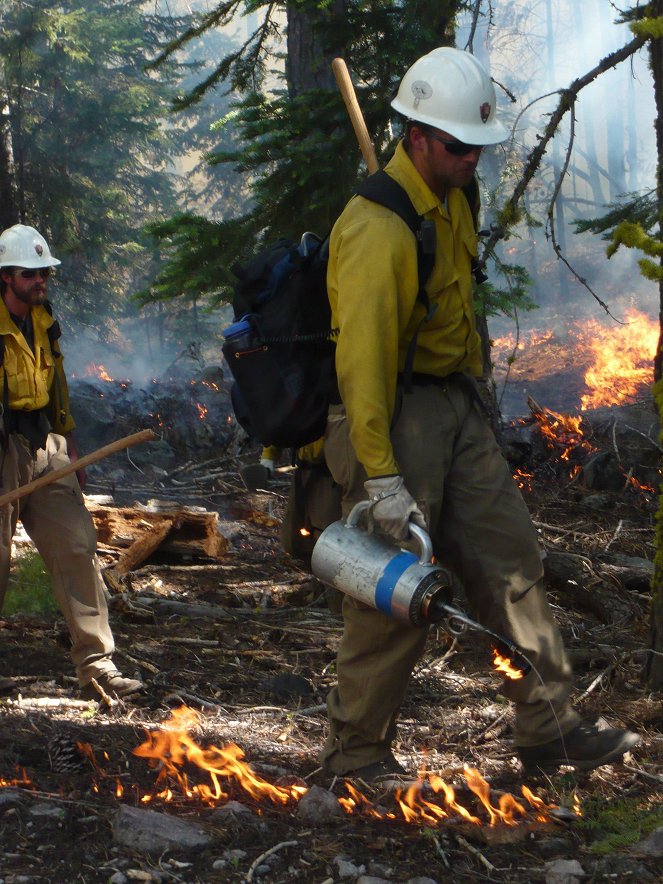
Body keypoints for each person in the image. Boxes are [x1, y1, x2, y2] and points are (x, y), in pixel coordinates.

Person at [319, 47, 640, 779]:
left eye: (479, 149)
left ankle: (549, 724)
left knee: (510, 560)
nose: (472, 160)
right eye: (460, 147)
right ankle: (355, 754)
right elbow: (360, 367)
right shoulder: (378, 226)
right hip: (392, 420)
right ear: (417, 137)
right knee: (391, 589)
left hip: (453, 408)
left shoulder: (452, 198)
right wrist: (379, 480)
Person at [0, 223, 143, 701]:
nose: (41, 280)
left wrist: (73, 447)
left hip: (47, 446)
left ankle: (98, 668)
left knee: (78, 548)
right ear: (6, 276)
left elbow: (57, 385)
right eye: (30, 273)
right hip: (2, 452)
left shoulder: (44, 318)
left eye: (44, 272)